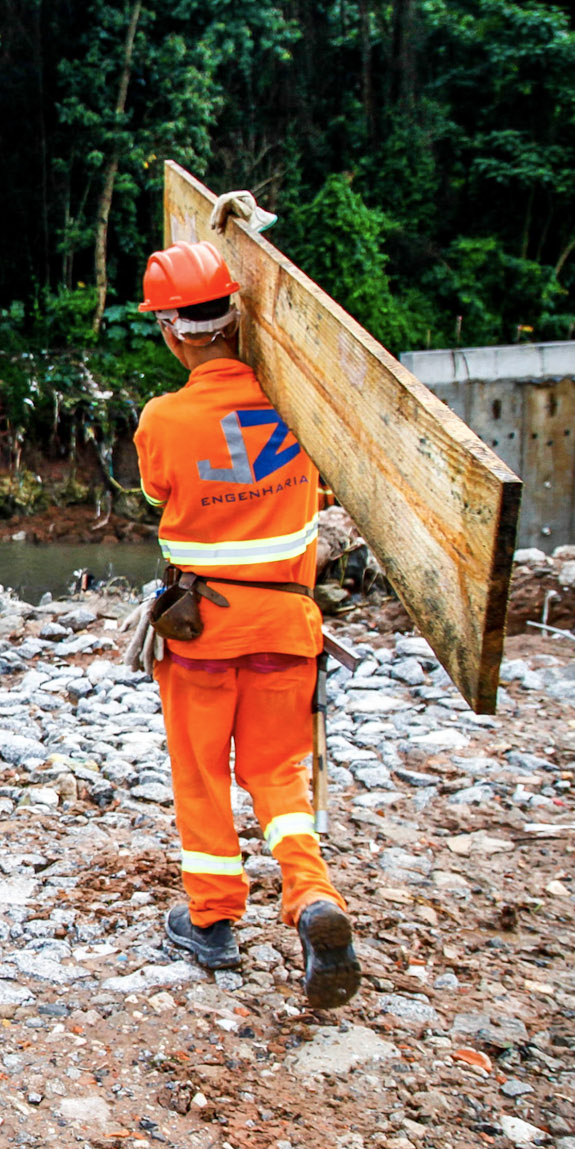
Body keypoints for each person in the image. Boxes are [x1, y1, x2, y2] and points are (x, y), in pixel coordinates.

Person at [129, 239, 360, 1010]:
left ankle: (214, 922)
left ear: (171, 330)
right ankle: (310, 895)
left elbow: (160, 490)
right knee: (277, 775)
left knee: (202, 773)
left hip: (202, 632)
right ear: (239, 316)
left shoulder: (164, 417)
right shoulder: (300, 408)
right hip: (289, 628)